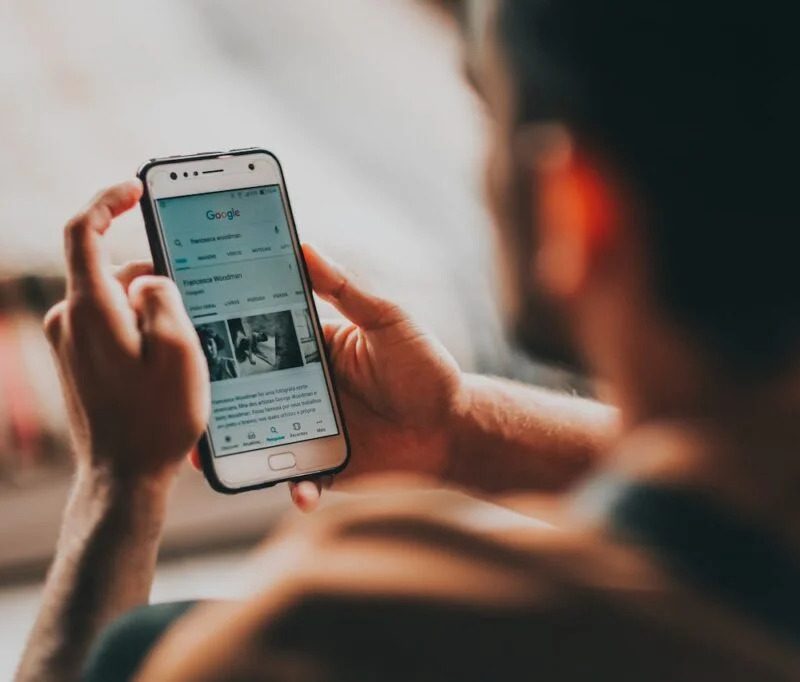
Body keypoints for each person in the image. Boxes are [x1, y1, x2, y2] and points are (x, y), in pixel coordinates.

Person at [16, 1, 800, 680]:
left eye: (488, 117)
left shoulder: (333, 632)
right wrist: (455, 430)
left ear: (576, 210)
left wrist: (119, 484)